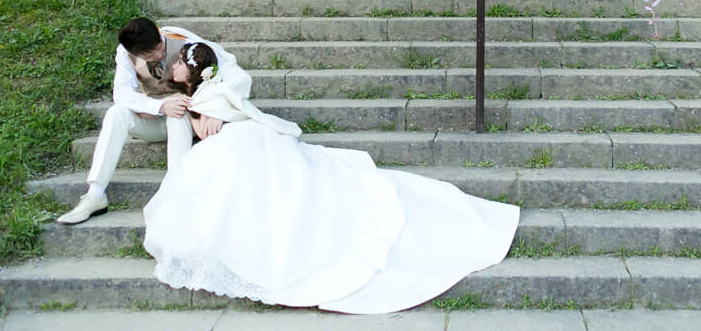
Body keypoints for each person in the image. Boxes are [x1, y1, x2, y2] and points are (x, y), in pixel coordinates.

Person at [142, 43, 519, 314]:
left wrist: (214, 119)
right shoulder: (194, 96)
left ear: (192, 70)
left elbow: (227, 112)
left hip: (245, 141)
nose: (172, 67)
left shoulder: (212, 93)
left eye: (177, 64)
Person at [56, 18, 248, 225]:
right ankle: (95, 194)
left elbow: (232, 74)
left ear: (159, 34)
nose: (158, 55)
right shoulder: (125, 54)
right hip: (154, 119)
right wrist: (160, 106)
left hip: (187, 118)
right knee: (116, 113)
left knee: (177, 112)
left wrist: (215, 110)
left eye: (159, 48)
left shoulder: (184, 43)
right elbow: (122, 95)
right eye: (149, 55)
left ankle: (177, 190)